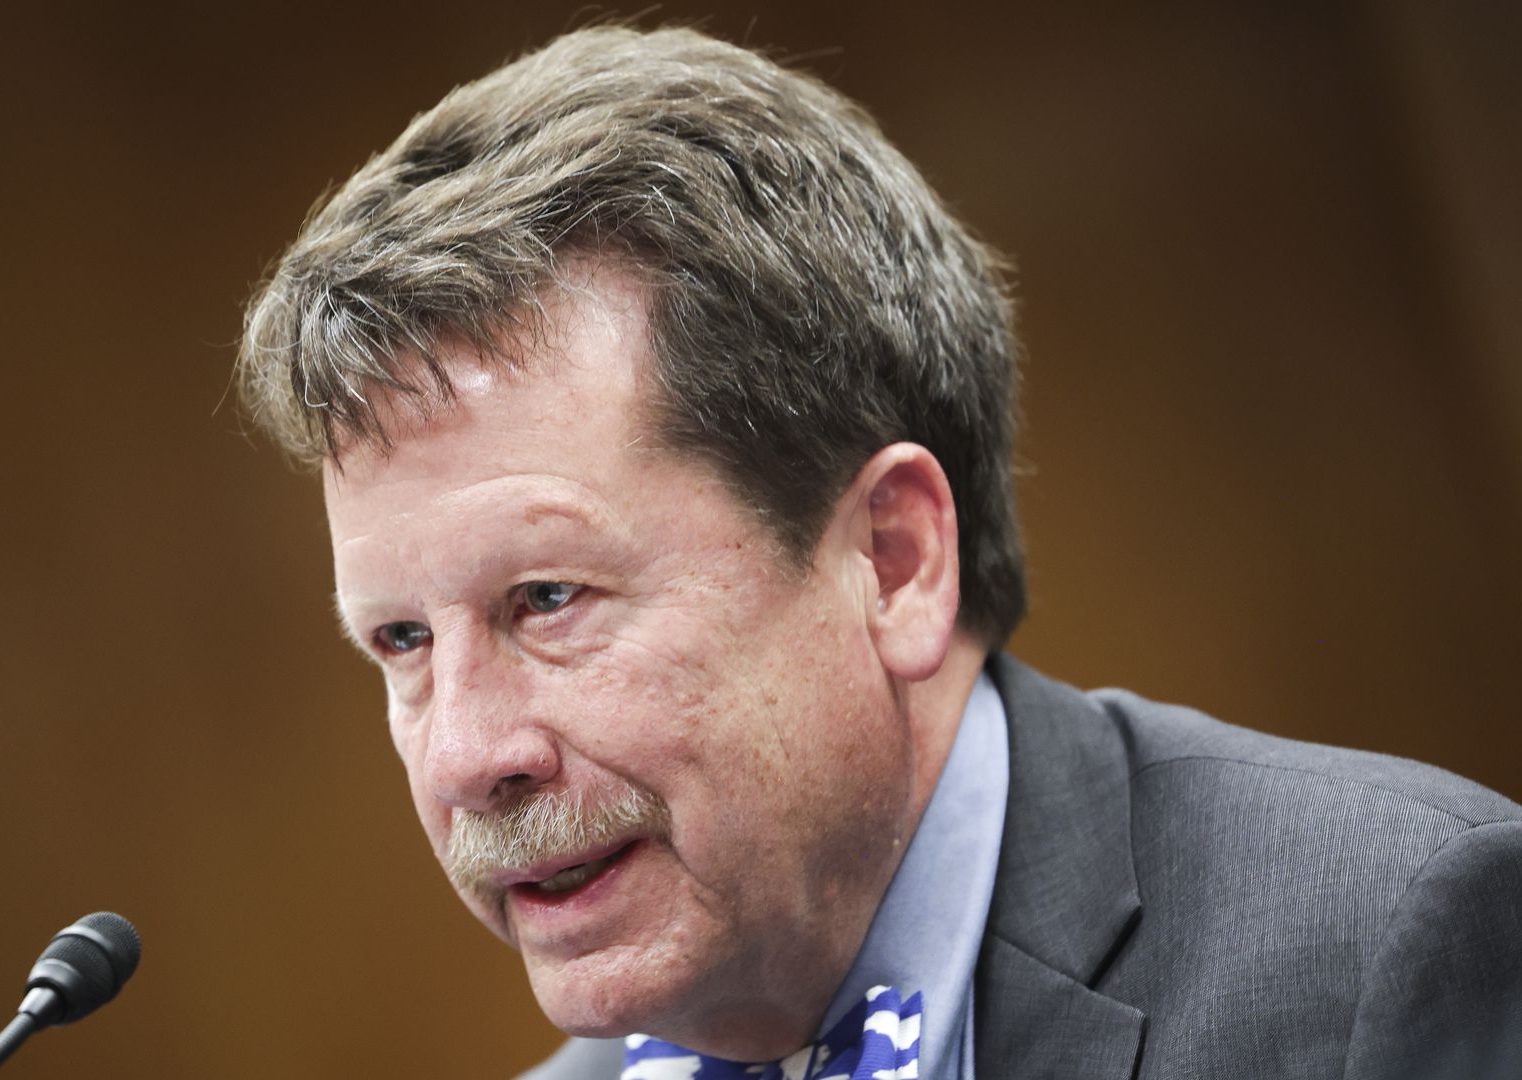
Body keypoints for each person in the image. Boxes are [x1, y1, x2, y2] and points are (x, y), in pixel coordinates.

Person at [232, 25, 1522, 1080]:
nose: (464, 758)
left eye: (548, 598)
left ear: (892, 562)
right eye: (400, 640)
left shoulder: (1383, 952)